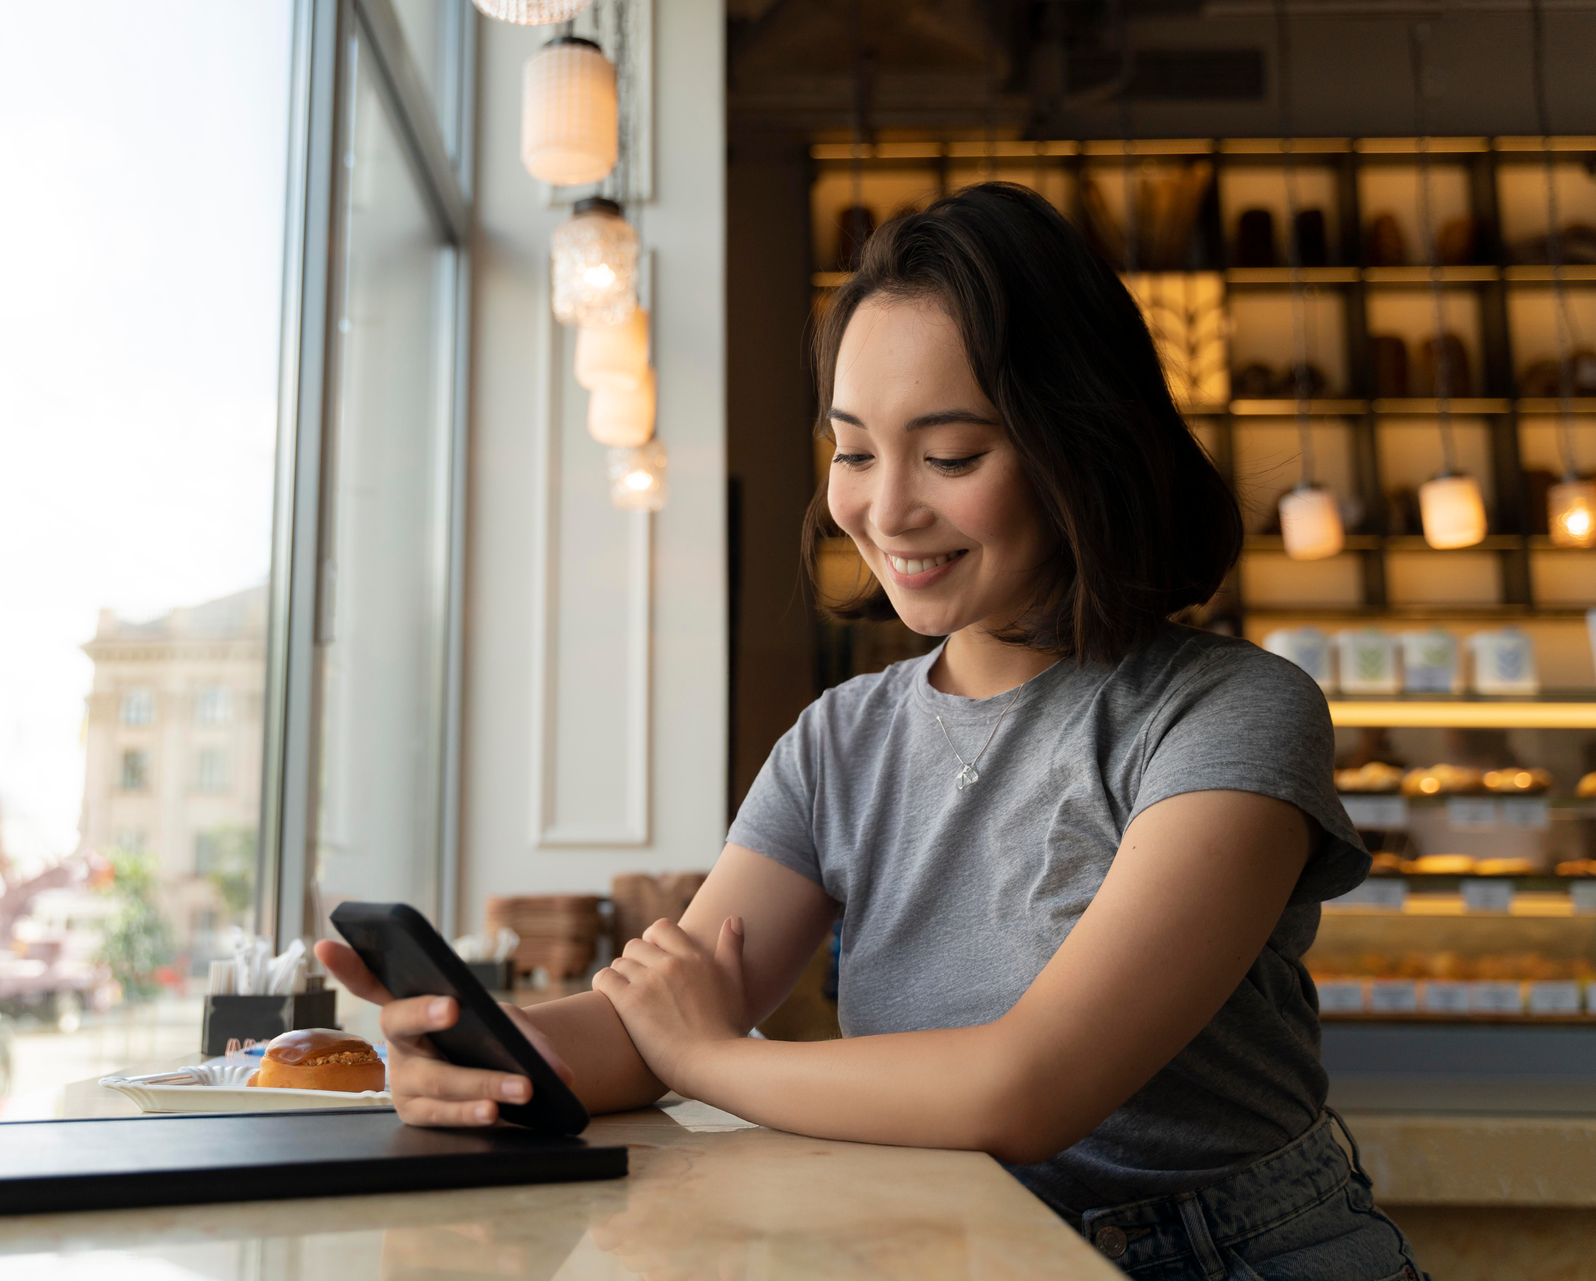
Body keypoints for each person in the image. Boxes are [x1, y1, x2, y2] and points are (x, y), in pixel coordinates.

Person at [317, 183, 1426, 1281]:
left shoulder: (1230, 712)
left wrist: (708, 1057)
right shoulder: (841, 740)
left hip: (1234, 1259)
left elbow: (1023, 1090)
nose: (885, 511)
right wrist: (478, 1056)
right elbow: (650, 1013)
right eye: (853, 451)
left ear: (1081, 447)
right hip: (950, 1243)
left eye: (949, 456)